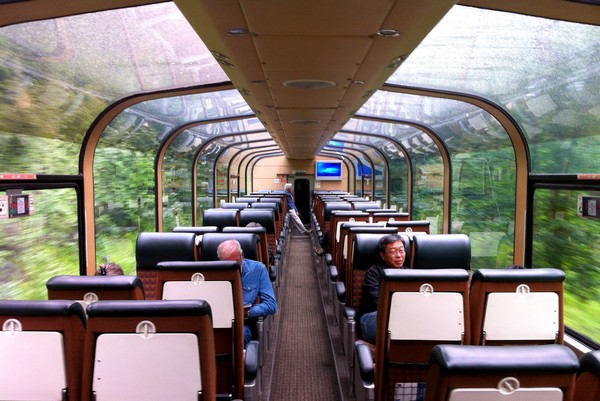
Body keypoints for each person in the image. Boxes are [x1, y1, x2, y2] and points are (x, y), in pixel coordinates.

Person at [217, 239, 278, 346]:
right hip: (218, 322)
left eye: (236, 262)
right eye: (227, 263)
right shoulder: (212, 272)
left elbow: (271, 305)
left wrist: (247, 312)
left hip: (243, 323)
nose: (233, 266)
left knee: (241, 335)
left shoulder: (258, 269)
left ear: (242, 256)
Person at [358, 234, 407, 344]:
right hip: (373, 316)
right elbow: (378, 301)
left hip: (402, 315)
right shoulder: (373, 272)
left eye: (401, 250)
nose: (399, 255)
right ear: (382, 255)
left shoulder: (410, 273)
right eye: (393, 252)